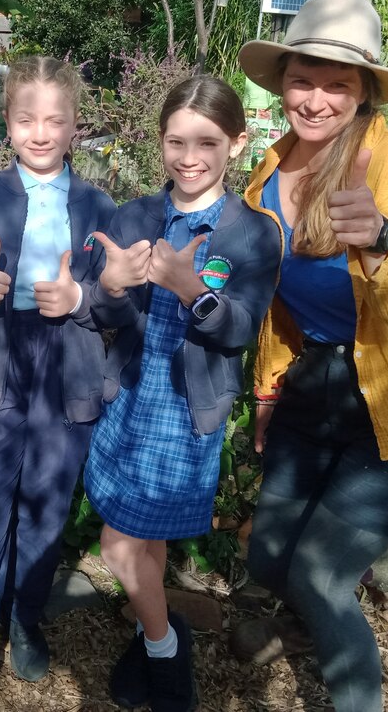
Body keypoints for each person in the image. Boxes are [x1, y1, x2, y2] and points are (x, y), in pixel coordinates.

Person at [232, 0, 388, 712]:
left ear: (363, 94)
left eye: (338, 83)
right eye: (303, 78)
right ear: (281, 79)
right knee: (266, 555)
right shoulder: (268, 172)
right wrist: (268, 389)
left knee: (319, 574)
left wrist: (380, 241)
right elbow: (273, 307)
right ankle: (316, 630)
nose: (316, 98)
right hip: (314, 383)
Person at [0, 56, 122, 712]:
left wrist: (82, 298)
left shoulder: (97, 205)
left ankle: (25, 615)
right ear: (7, 121)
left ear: (73, 126)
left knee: (44, 507)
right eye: (26, 118)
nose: (40, 132)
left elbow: (123, 302)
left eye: (55, 119)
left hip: (66, 371)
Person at [83, 75, 281, 712]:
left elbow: (242, 330)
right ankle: (161, 635)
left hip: (185, 409)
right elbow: (101, 320)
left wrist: (192, 289)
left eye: (208, 141)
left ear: (238, 143)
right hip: (129, 399)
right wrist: (110, 288)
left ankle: (165, 650)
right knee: (133, 540)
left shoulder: (253, 232)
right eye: (175, 141)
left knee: (122, 546)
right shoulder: (136, 215)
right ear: (159, 141)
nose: (189, 156)